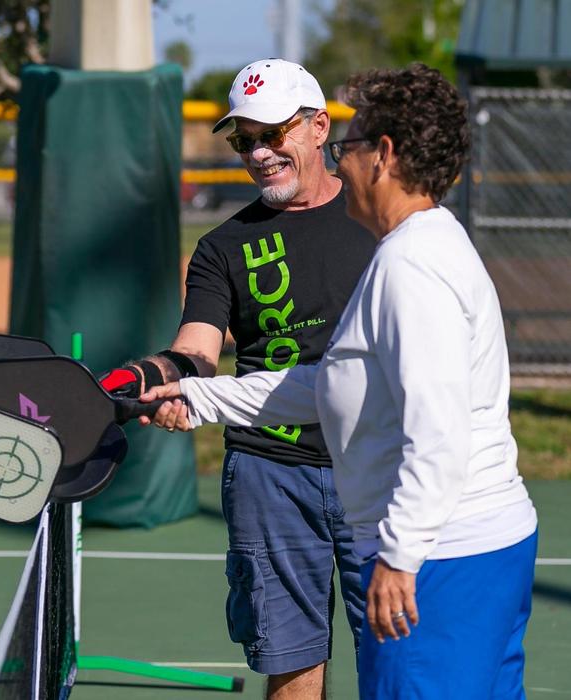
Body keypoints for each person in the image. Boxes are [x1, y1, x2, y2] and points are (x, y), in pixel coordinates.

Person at [143, 63, 538, 700]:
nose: (340, 161)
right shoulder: (418, 246)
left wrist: (401, 557)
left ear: (381, 155)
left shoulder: (410, 265)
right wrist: (191, 393)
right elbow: (329, 384)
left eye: (348, 147)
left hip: (441, 553)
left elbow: (437, 431)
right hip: (465, 544)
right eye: (245, 140)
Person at [99, 59, 374, 697]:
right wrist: (156, 379)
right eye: (243, 139)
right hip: (268, 470)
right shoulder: (223, 246)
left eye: (272, 133)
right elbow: (197, 352)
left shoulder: (380, 217)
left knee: (399, 654)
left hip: (378, 465)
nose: (258, 152)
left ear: (318, 128)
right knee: (292, 659)